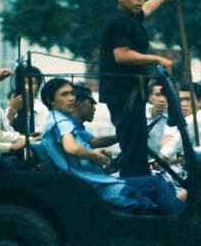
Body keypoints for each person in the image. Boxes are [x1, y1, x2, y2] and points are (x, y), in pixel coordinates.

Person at [40, 78, 185, 215]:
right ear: (50, 100)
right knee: (152, 191)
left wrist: (101, 162)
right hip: (93, 185)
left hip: (93, 180)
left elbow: (85, 148)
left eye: (72, 93)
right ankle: (185, 224)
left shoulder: (57, 120)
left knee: (154, 183)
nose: (71, 98)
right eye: (64, 95)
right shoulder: (61, 122)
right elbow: (71, 148)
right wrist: (95, 156)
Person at [98, 0, 178, 177]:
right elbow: (121, 55)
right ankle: (133, 192)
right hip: (123, 93)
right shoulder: (120, 21)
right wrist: (156, 58)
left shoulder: (131, 17)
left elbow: (148, 9)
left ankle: (137, 185)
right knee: (133, 145)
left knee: (137, 142)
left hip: (133, 92)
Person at [6, 64, 48, 135]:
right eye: (23, 83)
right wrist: (12, 111)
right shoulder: (9, 110)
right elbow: (3, 134)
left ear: (38, 86)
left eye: (31, 83)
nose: (26, 87)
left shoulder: (43, 111)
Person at [146, 83, 168, 154]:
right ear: (150, 97)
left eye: (166, 95)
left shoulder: (173, 118)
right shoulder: (140, 115)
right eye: (157, 95)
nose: (162, 99)